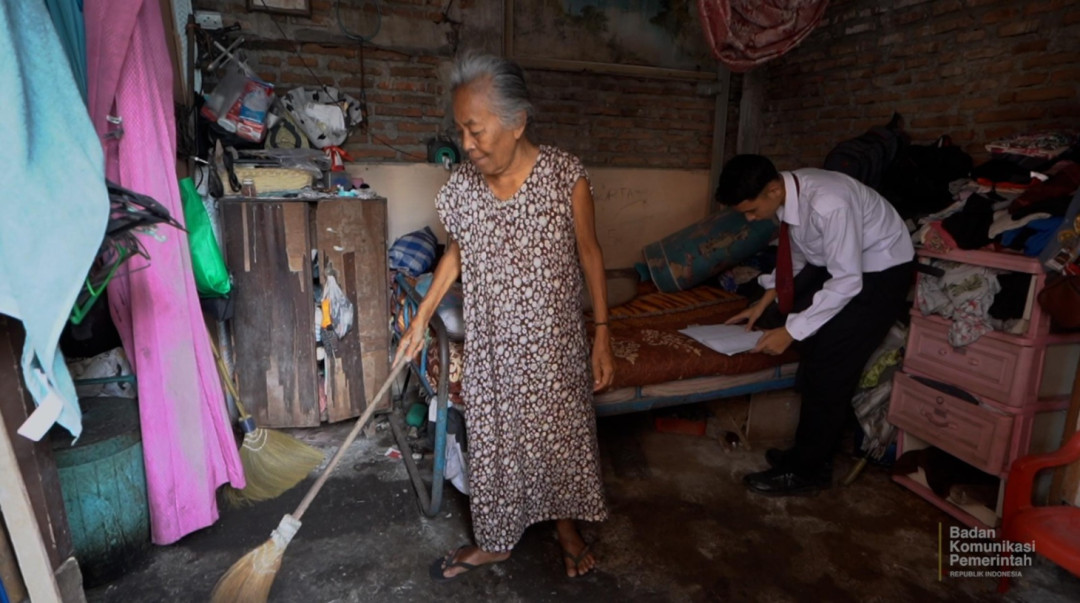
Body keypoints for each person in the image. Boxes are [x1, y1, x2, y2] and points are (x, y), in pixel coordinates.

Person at [394, 53, 615, 580]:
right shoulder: (464, 187)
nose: (466, 144)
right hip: (493, 345)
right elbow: (455, 254)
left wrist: (603, 334)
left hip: (556, 347)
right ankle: (495, 541)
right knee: (494, 445)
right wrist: (421, 318)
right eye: (460, 131)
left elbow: (590, 253)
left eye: (475, 130)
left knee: (560, 438)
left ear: (517, 122)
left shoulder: (564, 175)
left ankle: (566, 529)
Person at [717, 154, 914, 496]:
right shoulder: (791, 193)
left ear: (773, 189)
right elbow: (799, 257)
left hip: (880, 272)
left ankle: (807, 471)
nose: (750, 218)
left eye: (751, 210)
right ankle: (810, 453)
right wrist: (765, 300)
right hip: (846, 267)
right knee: (805, 337)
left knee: (830, 363)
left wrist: (790, 331)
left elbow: (847, 282)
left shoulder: (827, 204)